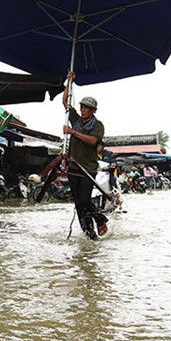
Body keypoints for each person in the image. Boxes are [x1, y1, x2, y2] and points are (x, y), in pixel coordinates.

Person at [62, 70, 107, 240]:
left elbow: (93, 141)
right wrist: (69, 82)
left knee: (85, 200)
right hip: (73, 166)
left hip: (87, 168)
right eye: (81, 107)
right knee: (78, 203)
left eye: (86, 108)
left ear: (93, 110)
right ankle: (89, 233)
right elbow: (65, 101)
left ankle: (100, 219)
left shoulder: (98, 125)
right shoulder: (76, 120)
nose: (82, 110)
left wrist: (72, 132)